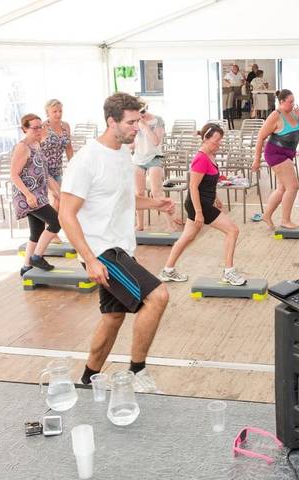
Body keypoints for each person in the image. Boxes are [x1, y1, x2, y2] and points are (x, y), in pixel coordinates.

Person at [59, 93, 175, 392]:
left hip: (121, 246)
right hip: (100, 250)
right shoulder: (86, 160)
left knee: (113, 316)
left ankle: (87, 379)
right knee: (157, 296)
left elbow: (124, 199)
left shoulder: (123, 152)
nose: (137, 127)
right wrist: (90, 259)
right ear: (111, 121)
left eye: (138, 121)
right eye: (131, 122)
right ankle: (137, 373)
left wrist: (155, 204)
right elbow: (65, 214)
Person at [159, 123, 246, 286]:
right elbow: (193, 187)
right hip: (200, 205)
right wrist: (199, 212)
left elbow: (208, 183)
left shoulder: (210, 155)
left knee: (187, 237)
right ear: (206, 138)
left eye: (220, 140)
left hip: (203, 203)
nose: (219, 143)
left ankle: (167, 270)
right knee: (232, 230)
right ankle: (229, 272)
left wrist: (216, 198)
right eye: (216, 140)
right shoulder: (200, 158)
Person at [11, 114, 61, 276]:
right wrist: (28, 195)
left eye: (41, 127)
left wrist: (56, 191)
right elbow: (14, 175)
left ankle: (26, 267)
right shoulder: (22, 147)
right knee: (57, 221)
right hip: (28, 197)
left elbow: (45, 173)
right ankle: (37, 257)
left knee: (36, 232)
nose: (39, 130)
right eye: (35, 128)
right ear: (24, 129)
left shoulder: (37, 145)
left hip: (39, 194)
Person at [251, 89, 299, 229]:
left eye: (293, 101)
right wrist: (256, 160)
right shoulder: (275, 115)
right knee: (293, 186)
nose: (292, 104)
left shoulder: (294, 114)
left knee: (282, 188)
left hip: (288, 154)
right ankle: (285, 220)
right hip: (276, 154)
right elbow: (260, 137)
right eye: (290, 102)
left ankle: (266, 215)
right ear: (281, 101)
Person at [132, 99, 182, 232]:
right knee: (139, 193)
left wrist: (144, 126)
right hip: (138, 158)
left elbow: (156, 141)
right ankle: (140, 225)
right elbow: (131, 144)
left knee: (156, 192)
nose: (141, 115)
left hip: (154, 157)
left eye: (142, 111)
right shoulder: (134, 121)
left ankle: (170, 225)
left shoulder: (157, 120)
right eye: (137, 112)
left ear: (146, 108)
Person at [40, 99, 73, 212]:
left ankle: (54, 223)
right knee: (56, 199)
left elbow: (69, 149)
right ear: (47, 112)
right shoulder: (42, 127)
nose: (58, 114)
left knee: (59, 203)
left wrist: (73, 166)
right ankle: (53, 222)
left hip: (58, 171)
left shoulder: (66, 126)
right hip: (44, 171)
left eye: (60, 111)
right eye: (54, 111)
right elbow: (34, 149)